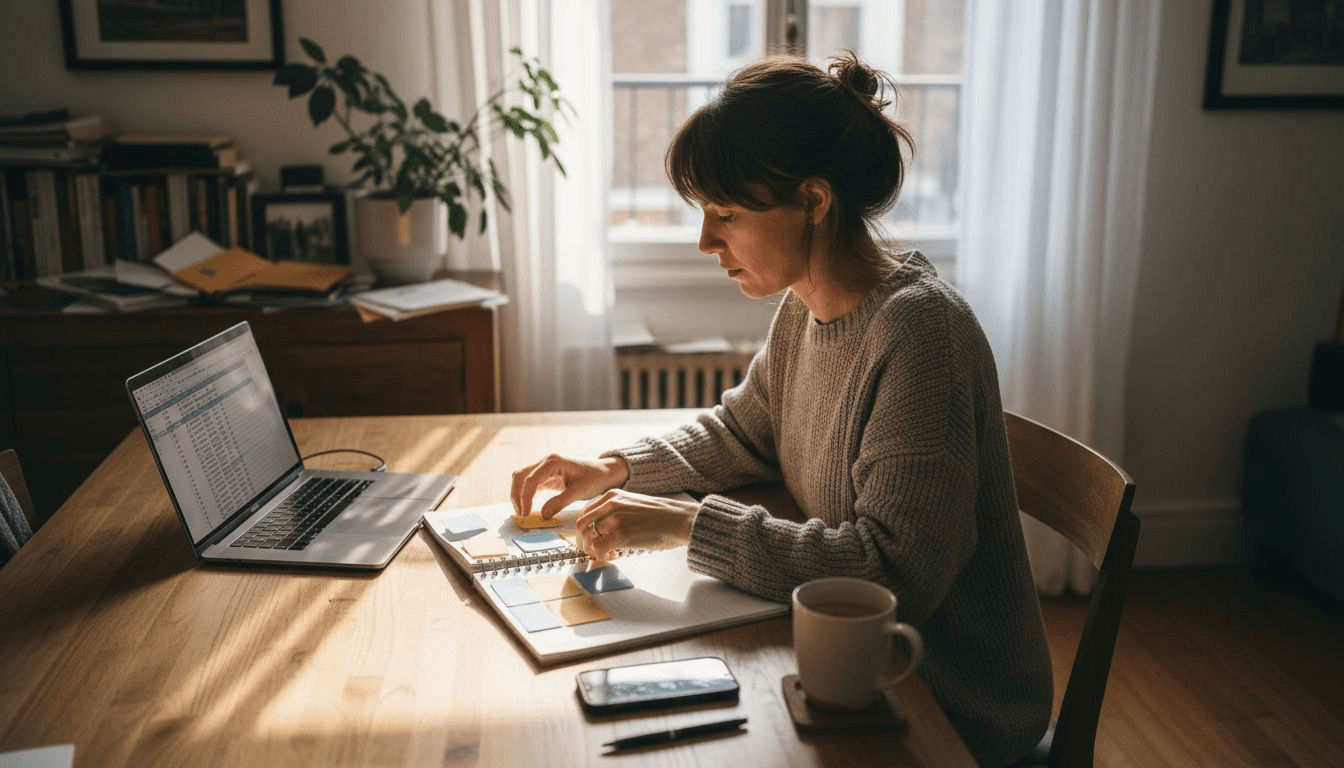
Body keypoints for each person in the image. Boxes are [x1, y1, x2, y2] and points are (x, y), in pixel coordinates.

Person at [510, 52, 1051, 767]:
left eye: (726, 215)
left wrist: (688, 523)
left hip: (939, 702)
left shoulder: (921, 335)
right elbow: (743, 431)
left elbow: (893, 573)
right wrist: (616, 468)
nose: (707, 242)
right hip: (847, 664)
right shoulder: (806, 309)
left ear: (815, 201)